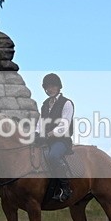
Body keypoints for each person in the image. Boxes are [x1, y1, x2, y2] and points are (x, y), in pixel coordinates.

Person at [38, 73, 74, 201]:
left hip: (61, 140)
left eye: (53, 86)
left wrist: (48, 135)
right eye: (47, 87)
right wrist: (36, 134)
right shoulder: (45, 105)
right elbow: (40, 123)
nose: (50, 89)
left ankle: (65, 188)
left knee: (53, 156)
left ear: (58, 87)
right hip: (46, 140)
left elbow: (63, 125)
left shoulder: (67, 103)